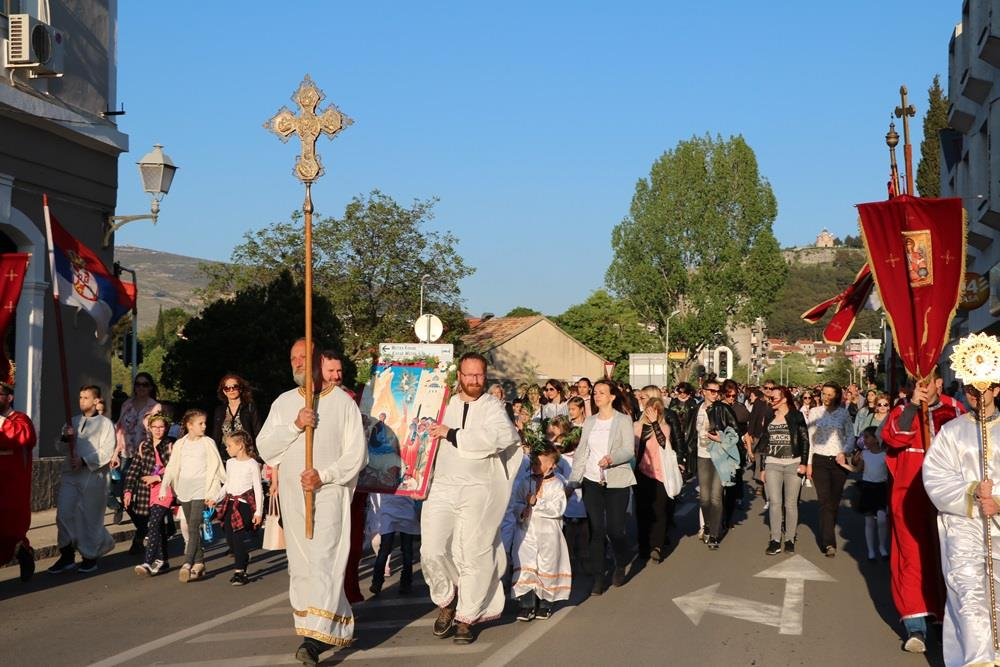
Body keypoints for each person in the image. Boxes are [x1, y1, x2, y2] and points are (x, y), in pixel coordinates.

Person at [257, 339, 367, 665]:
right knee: (302, 564)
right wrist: (295, 424)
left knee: (325, 560)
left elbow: (356, 455)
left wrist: (325, 475)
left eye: (304, 357)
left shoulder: (343, 404)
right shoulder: (284, 402)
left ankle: (315, 639)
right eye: (293, 358)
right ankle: (312, 626)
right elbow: (266, 448)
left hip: (329, 494)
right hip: (294, 497)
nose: (298, 362)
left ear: (319, 361)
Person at [423, 352, 522, 645]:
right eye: (469, 375)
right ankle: (446, 599)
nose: (474, 381)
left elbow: (501, 438)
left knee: (473, 552)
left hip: (479, 488)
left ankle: (467, 616)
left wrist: (453, 434)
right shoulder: (443, 404)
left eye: (479, 375)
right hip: (441, 486)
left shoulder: (492, 406)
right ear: (459, 377)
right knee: (432, 549)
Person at [882, 370, 965, 653]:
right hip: (910, 495)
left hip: (949, 496)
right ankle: (915, 625)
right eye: (914, 383)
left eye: (926, 382)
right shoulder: (903, 409)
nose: (920, 387)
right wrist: (914, 406)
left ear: (939, 383)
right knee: (912, 558)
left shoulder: (956, 409)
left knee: (948, 556)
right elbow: (894, 439)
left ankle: (945, 619)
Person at [923, 383, 1000, 667]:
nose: (976, 395)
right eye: (970, 389)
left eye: (983, 389)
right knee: (968, 593)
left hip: (998, 525)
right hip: (962, 524)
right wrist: (972, 491)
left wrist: (998, 502)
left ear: (997, 389)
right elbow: (936, 476)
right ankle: (977, 661)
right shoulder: (951, 432)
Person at [567, 379, 636, 593]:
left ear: (612, 397)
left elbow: (629, 450)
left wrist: (611, 458)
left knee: (615, 529)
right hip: (592, 481)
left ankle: (621, 560)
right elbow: (581, 453)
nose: (597, 396)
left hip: (616, 480)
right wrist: (573, 481)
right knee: (596, 530)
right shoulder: (590, 422)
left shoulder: (623, 420)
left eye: (601, 393)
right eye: (595, 393)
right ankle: (598, 578)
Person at [48, 385, 116, 574]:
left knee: (89, 517)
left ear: (96, 401)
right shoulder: (73, 421)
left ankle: (89, 556)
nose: (82, 401)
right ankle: (67, 555)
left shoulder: (105, 424)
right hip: (70, 475)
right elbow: (60, 448)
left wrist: (85, 461)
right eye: (80, 397)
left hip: (93, 477)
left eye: (86, 397)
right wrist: (65, 438)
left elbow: (106, 451)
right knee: (64, 513)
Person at [158, 409, 226, 583]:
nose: (204, 426)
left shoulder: (208, 442)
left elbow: (217, 466)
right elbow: (172, 466)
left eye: (205, 423)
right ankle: (200, 562)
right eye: (200, 423)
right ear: (189, 425)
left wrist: (222, 490)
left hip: (202, 490)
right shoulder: (180, 444)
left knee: (194, 525)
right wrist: (164, 487)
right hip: (184, 490)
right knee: (189, 525)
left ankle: (187, 564)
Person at [511, 443, 571, 621]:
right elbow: (516, 503)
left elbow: (558, 508)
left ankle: (545, 604)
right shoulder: (525, 482)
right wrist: (523, 509)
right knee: (526, 565)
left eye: (540, 463)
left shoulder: (557, 484)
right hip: (526, 531)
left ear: (551, 465)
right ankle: (527, 604)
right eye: (534, 463)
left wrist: (537, 503)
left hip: (548, 534)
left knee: (547, 565)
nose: (535, 466)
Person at [806, 382, 855, 557]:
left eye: (829, 394)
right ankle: (829, 542)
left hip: (838, 462)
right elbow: (810, 439)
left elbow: (851, 435)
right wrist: (809, 463)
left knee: (834, 502)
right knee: (825, 501)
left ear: (837, 396)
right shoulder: (815, 412)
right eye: (823, 394)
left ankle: (827, 528)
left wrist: (844, 452)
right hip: (819, 460)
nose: (825, 397)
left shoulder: (843, 413)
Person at [759, 387, 809, 555]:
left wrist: (803, 463)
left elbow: (804, 440)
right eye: (770, 398)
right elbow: (765, 443)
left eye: (774, 398)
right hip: (772, 463)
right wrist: (762, 467)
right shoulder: (769, 416)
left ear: (784, 399)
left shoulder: (796, 416)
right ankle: (774, 540)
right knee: (774, 502)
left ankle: (789, 538)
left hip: (792, 464)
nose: (771, 401)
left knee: (790, 504)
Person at [112, 373, 163, 529]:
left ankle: (145, 529)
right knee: (122, 492)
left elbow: (158, 430)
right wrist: (115, 453)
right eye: (138, 384)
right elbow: (119, 429)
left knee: (142, 494)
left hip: (145, 455)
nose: (141, 387)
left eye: (145, 384)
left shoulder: (155, 407)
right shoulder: (127, 404)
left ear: (150, 387)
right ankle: (141, 527)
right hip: (126, 453)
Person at [127, 414, 175, 577]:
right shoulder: (144, 445)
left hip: (166, 489)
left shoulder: (170, 445)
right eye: (155, 427)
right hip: (148, 491)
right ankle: (163, 561)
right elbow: (134, 469)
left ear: (166, 428)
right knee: (158, 526)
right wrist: (128, 491)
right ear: (149, 428)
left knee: (153, 524)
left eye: (161, 427)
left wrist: (158, 477)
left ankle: (148, 562)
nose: (158, 430)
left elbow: (176, 469)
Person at [214, 430, 263, 586]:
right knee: (229, 535)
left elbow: (258, 489)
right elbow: (228, 484)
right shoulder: (230, 463)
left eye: (229, 446)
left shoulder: (253, 464)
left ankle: (239, 571)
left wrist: (258, 512)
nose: (227, 449)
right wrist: (215, 499)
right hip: (230, 502)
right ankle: (242, 557)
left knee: (237, 535)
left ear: (240, 446)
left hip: (245, 504)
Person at [0, 381, 38, 581]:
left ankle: (24, 552)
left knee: (10, 528)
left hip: (12, 485)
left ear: (9, 397)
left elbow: (21, 437)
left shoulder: (20, 420)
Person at [634, 396, 678, 562]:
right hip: (641, 473)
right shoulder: (637, 427)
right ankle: (643, 546)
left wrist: (654, 423)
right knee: (642, 512)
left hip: (660, 475)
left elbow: (663, 443)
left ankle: (657, 546)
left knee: (659, 511)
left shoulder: (664, 428)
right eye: (650, 410)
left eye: (657, 411)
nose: (653, 413)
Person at [368, 493, 420, 596]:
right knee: (385, 548)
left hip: (406, 507)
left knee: (407, 549)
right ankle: (377, 582)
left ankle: (406, 583)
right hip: (388, 508)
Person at [852, 426, 889, 561]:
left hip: (880, 489)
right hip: (867, 488)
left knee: (882, 519)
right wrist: (843, 464)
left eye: (867, 437)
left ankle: (882, 546)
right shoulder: (864, 454)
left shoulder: (885, 454)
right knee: (868, 521)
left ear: (876, 439)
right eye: (864, 437)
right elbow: (856, 469)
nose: (864, 440)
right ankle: (871, 551)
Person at [211, 374, 263, 461]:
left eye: (235, 387)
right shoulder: (220, 411)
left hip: (246, 457)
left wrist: (259, 457)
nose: (231, 390)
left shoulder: (250, 408)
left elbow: (258, 432)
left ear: (240, 389)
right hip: (224, 458)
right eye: (227, 388)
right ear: (224, 391)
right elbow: (216, 436)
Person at [670, 382, 699, 479]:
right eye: (680, 392)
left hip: (688, 429)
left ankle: (687, 470)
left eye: (685, 392)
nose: (682, 394)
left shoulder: (692, 402)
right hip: (675, 429)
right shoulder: (673, 401)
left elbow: (695, 418)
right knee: (676, 449)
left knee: (688, 450)